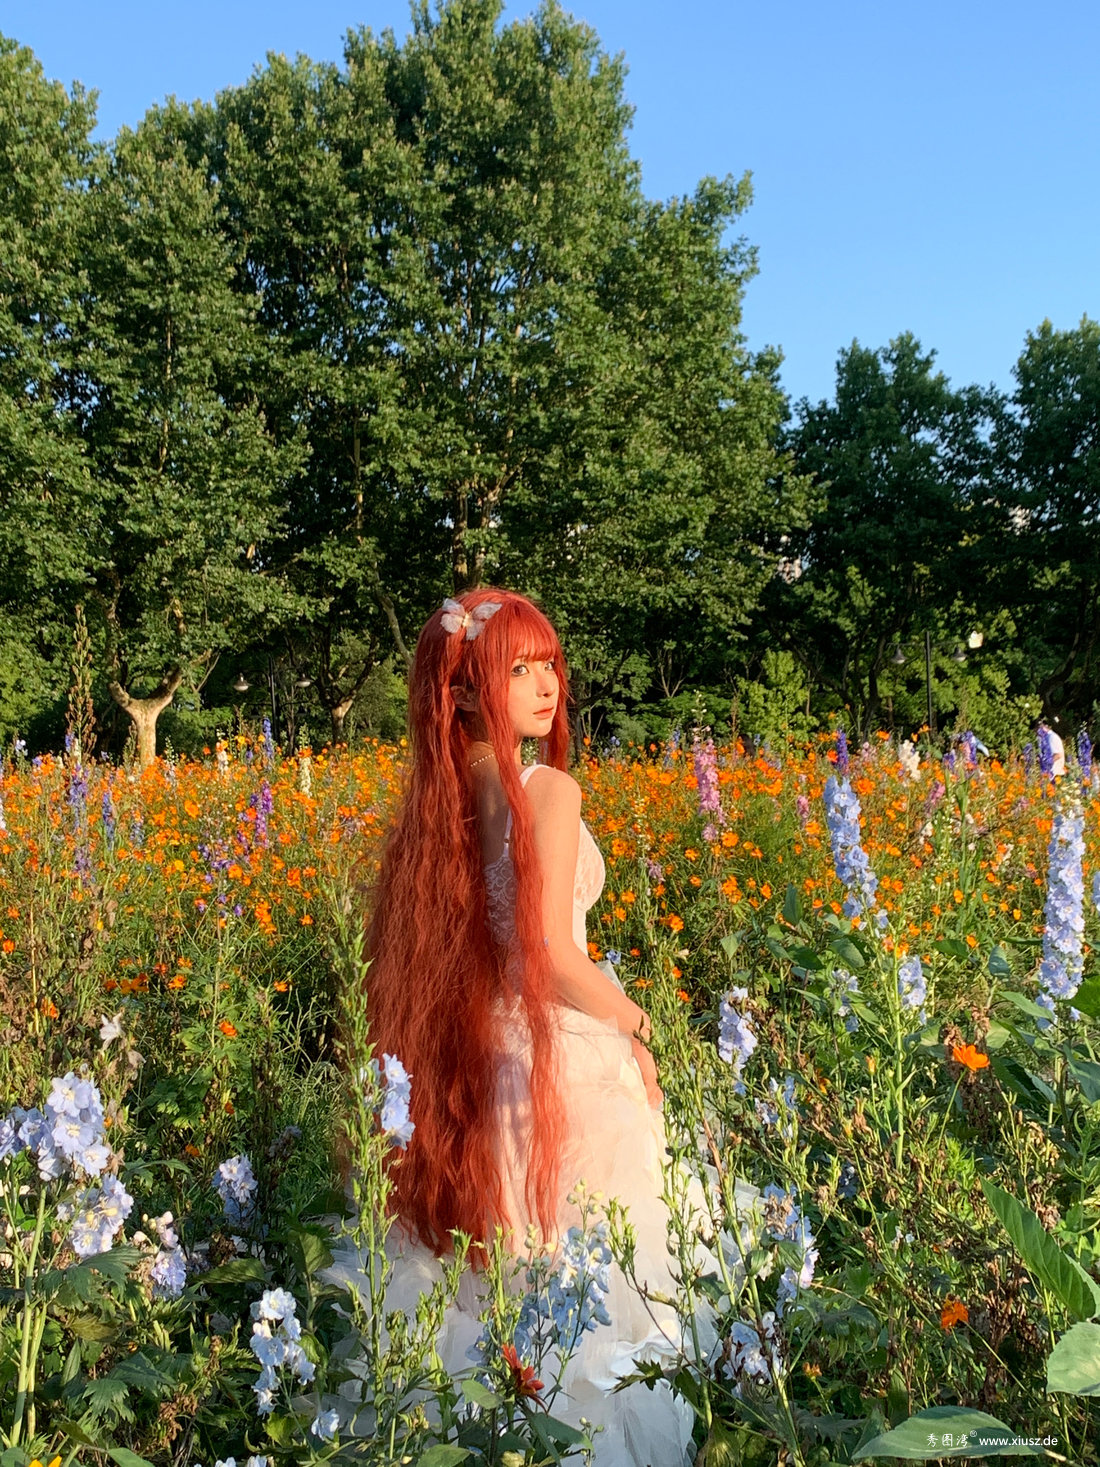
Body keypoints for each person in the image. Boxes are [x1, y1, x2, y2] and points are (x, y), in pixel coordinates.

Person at [335, 588, 692, 1466]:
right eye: (517, 669)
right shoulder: (548, 789)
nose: (545, 685)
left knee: (487, 1296)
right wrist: (642, 1028)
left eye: (548, 664)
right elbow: (549, 955)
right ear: (463, 692)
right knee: (593, 1303)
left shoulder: (435, 812)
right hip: (555, 1069)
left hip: (471, 1066)